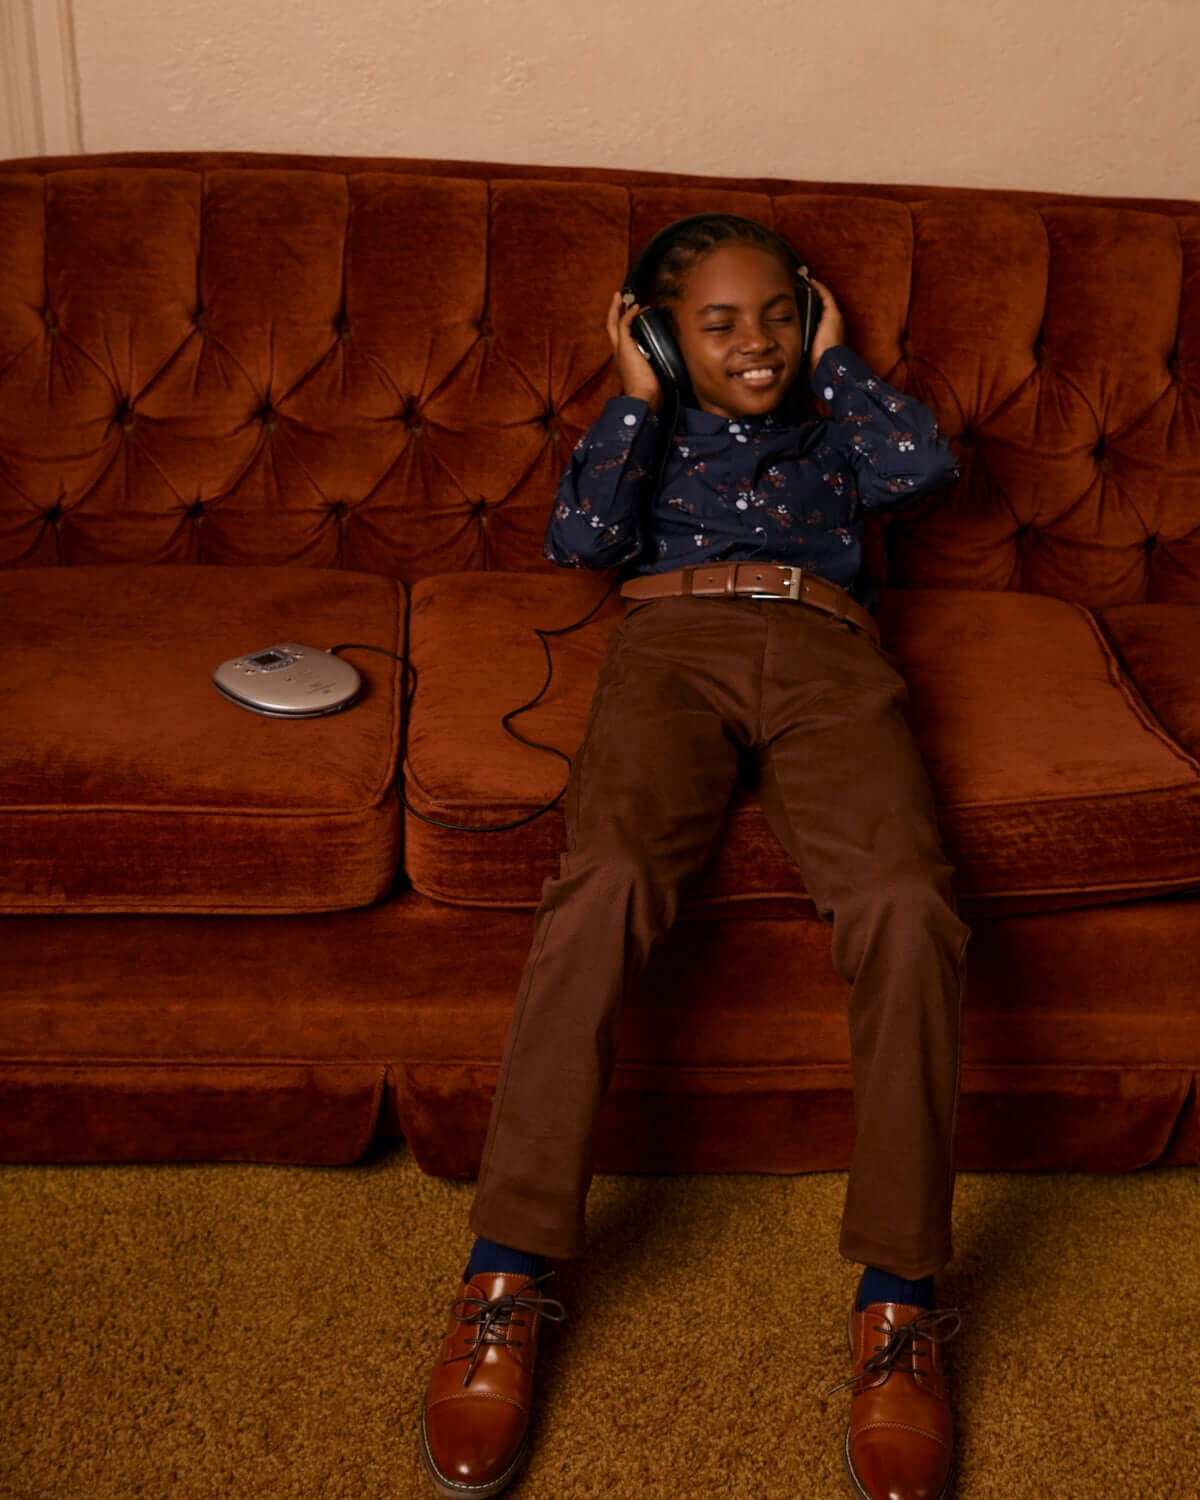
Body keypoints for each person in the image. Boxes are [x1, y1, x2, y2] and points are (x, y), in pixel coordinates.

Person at [419, 215, 969, 1500]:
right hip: (669, 648)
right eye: (718, 325)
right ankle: (504, 1275)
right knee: (604, 883)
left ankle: (899, 1300)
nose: (755, 344)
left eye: (777, 314)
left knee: (906, 904)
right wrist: (635, 393)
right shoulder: (648, 427)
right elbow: (579, 543)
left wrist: (835, 360)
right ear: (665, 337)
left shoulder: (838, 423)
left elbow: (926, 469)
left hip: (830, 652)